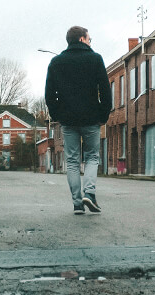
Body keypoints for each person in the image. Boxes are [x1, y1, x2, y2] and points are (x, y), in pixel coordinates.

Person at [44, 26, 112, 214]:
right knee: (92, 157)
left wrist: (57, 115)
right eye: (89, 39)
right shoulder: (95, 59)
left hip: (68, 120)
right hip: (91, 118)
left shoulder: (56, 62)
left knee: (72, 161)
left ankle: (77, 204)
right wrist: (103, 115)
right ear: (82, 39)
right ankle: (89, 194)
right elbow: (105, 91)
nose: (90, 42)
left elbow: (49, 94)